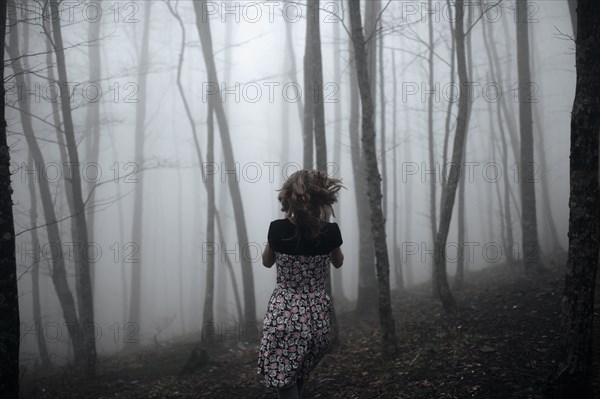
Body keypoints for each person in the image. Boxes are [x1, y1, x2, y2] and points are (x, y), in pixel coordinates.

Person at [257, 169, 344, 399]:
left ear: (289, 199)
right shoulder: (331, 231)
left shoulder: (277, 229)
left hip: (286, 314)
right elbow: (338, 262)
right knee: (299, 371)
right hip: (318, 316)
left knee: (284, 377)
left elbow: (267, 262)